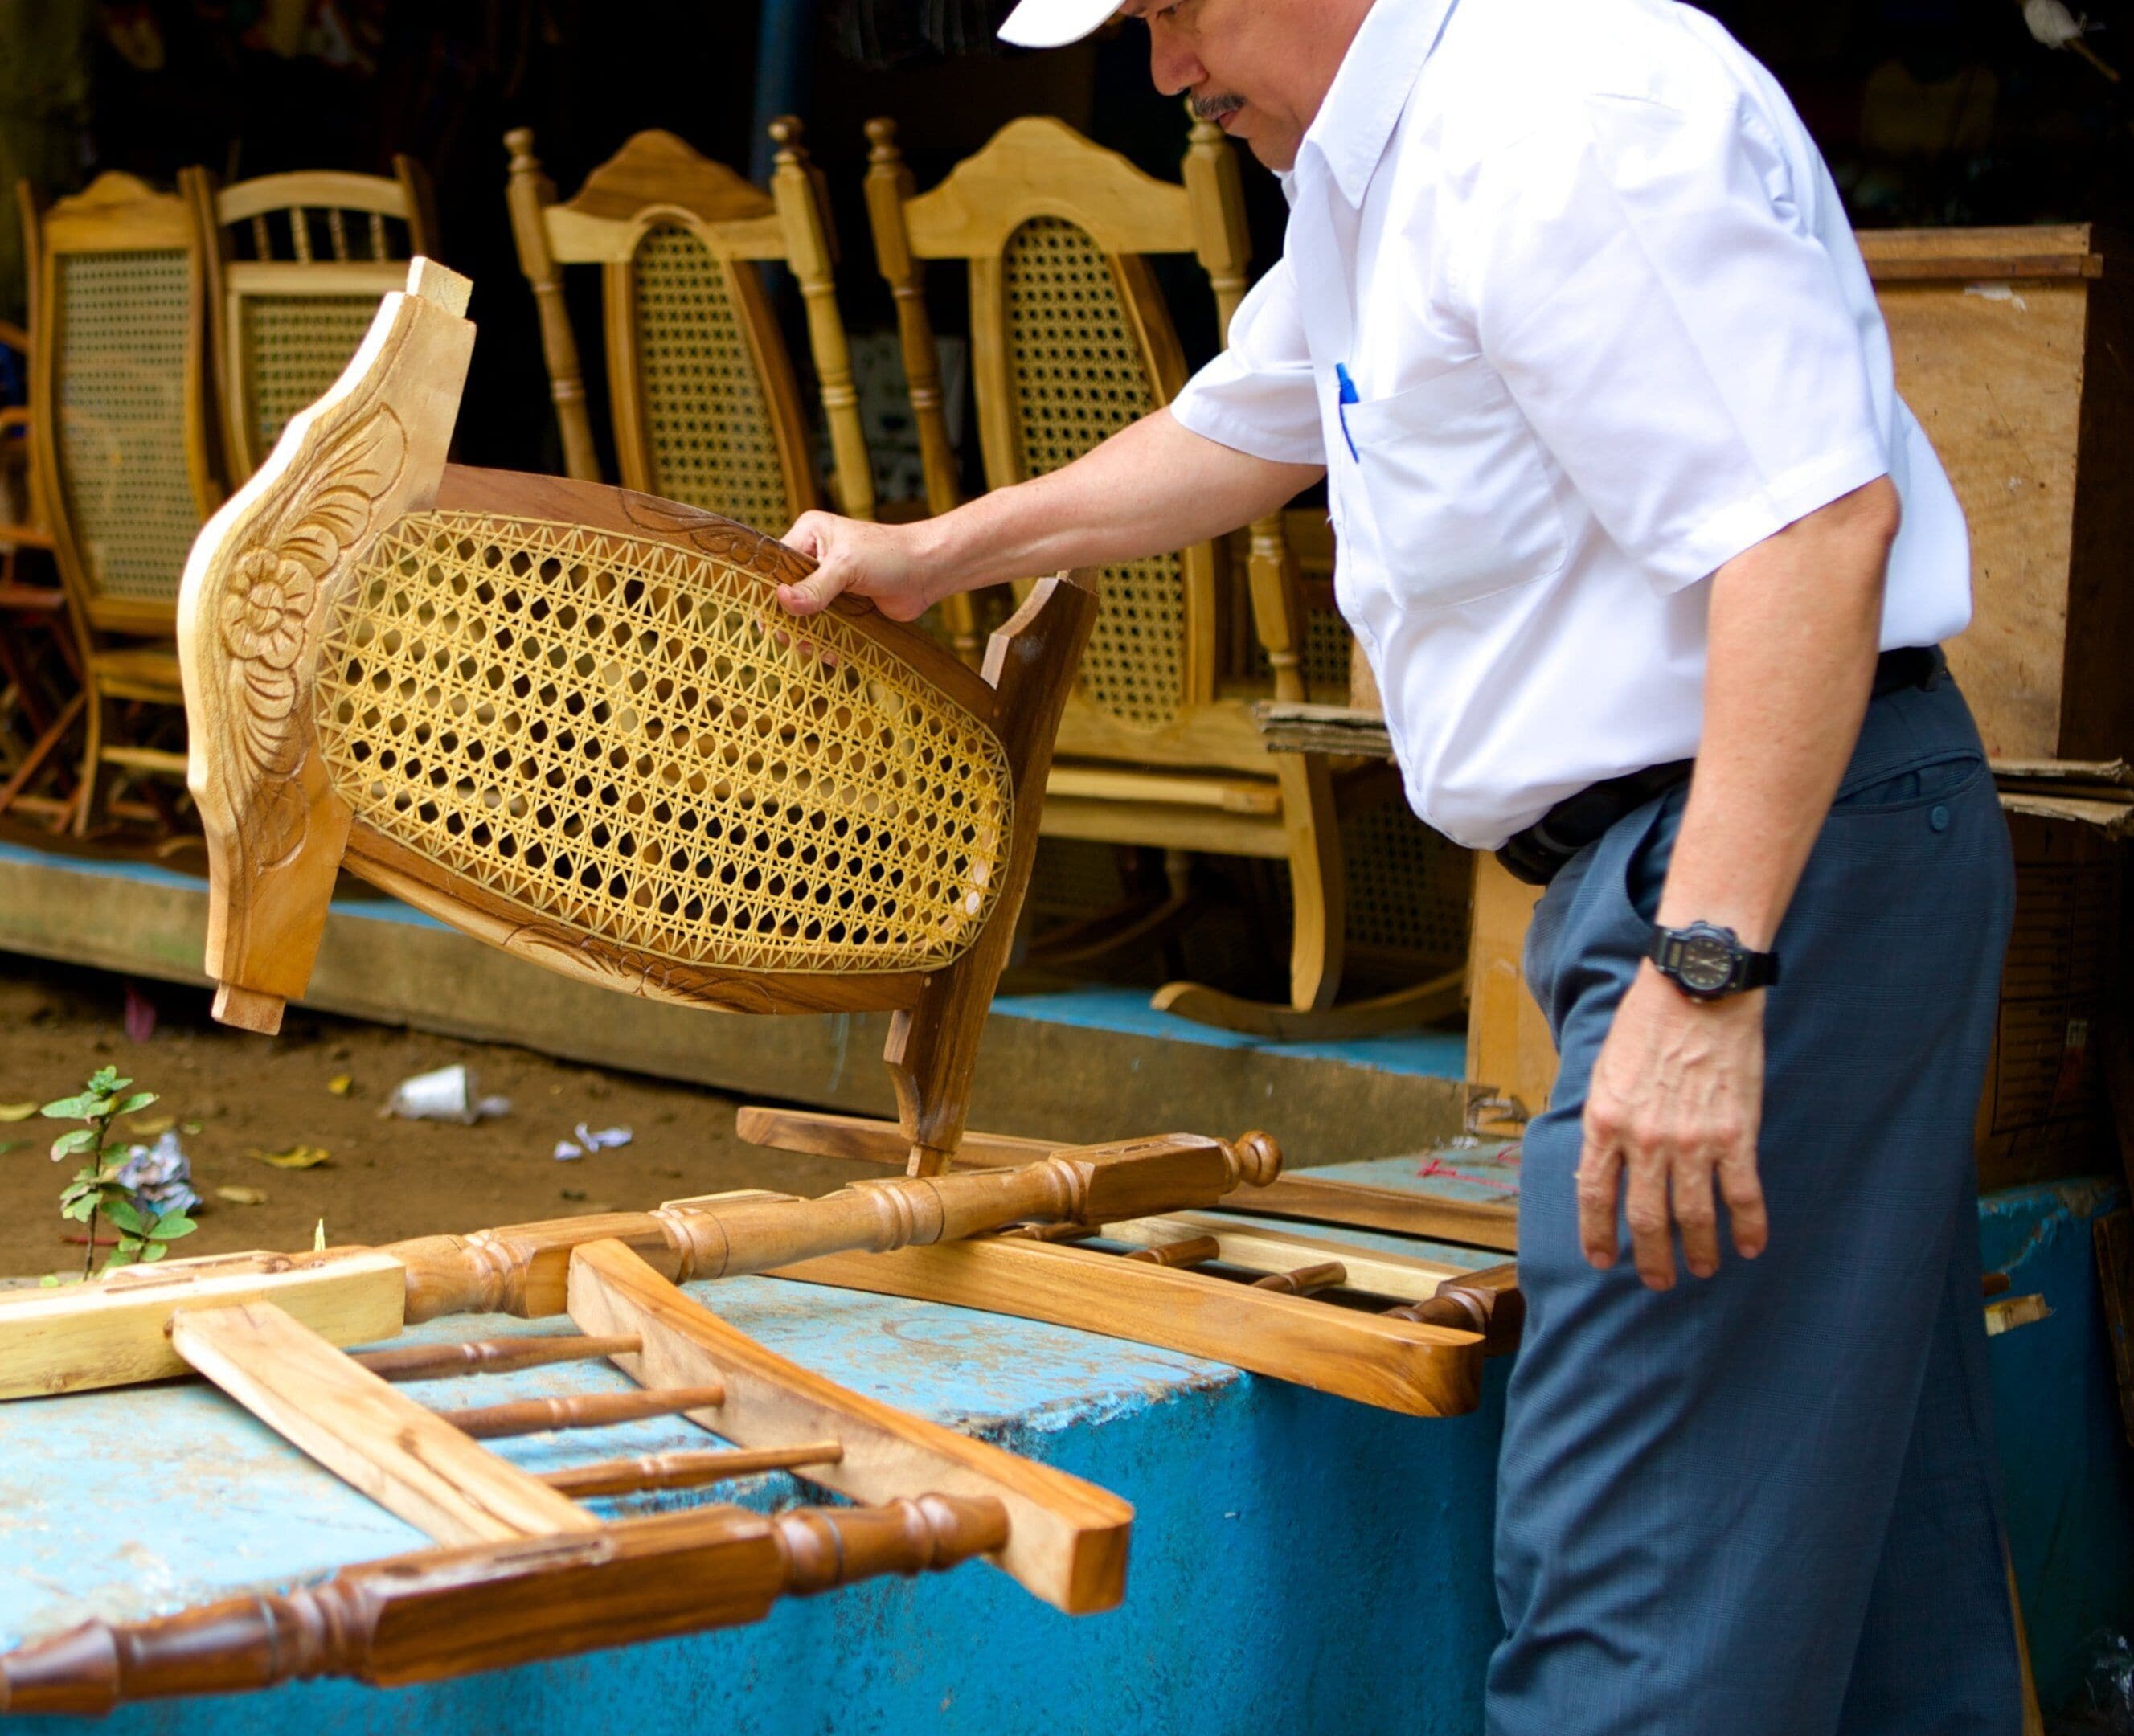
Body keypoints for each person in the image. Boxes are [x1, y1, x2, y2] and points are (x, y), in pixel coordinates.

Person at [772, 0, 2019, 1730]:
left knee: (1633, 1607)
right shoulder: (1378, 159)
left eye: (1175, 7)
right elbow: (1251, 425)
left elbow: (1809, 527)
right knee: (1867, 1571)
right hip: (1702, 861)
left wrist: (1706, 970)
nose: (1165, 70)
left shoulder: (1564, 107)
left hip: (1760, 862)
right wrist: (937, 552)